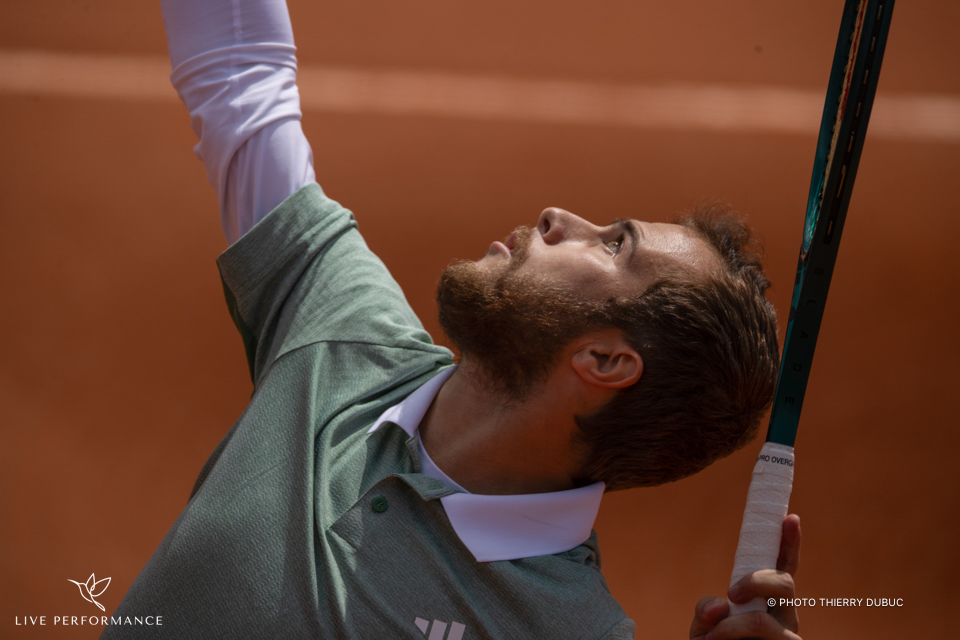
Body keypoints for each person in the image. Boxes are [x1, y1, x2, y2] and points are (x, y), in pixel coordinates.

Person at [103, 0, 803, 638]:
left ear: (606, 361)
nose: (558, 216)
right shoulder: (342, 327)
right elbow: (241, 79)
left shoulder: (567, 629)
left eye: (615, 245)